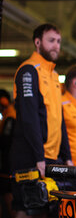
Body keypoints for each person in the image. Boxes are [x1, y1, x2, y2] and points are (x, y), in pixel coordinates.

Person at [11, 23, 73, 218]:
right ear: (38, 43)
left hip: (51, 157)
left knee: (47, 210)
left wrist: (67, 156)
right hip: (30, 155)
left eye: (59, 42)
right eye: (51, 41)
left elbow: (59, 120)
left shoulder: (55, 76)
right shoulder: (28, 71)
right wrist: (38, 157)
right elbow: (29, 118)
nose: (56, 46)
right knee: (27, 208)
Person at [0, 89, 16, 218]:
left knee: (7, 192)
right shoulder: (7, 114)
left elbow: (5, 140)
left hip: (8, 164)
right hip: (8, 162)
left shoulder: (10, 115)